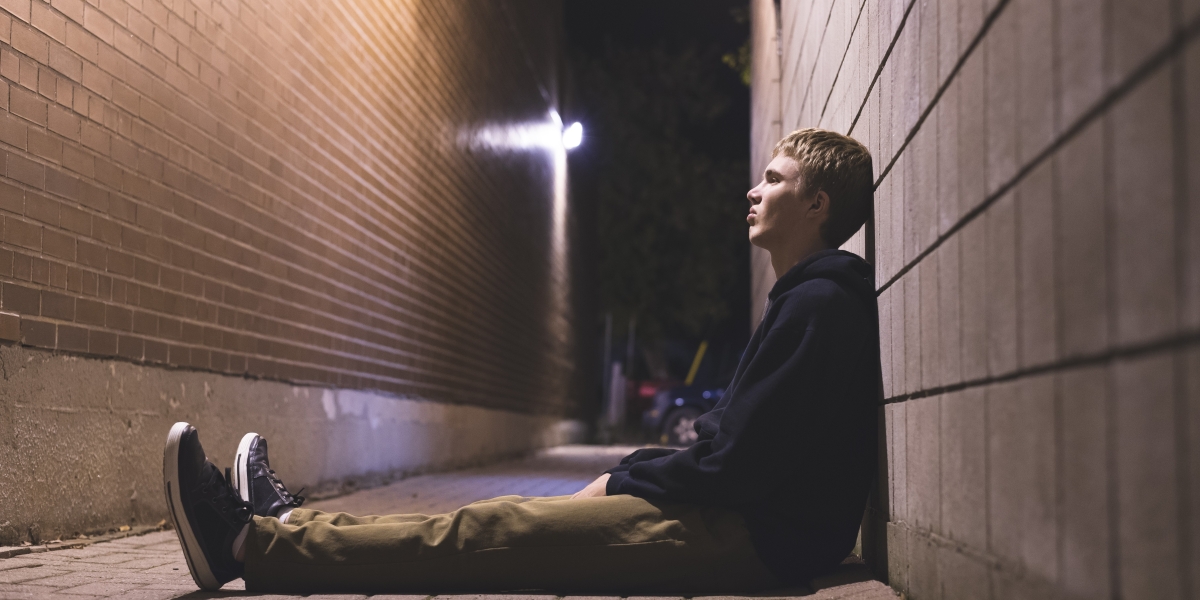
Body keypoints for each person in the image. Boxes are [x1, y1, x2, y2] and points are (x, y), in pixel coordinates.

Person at [162, 128, 880, 595]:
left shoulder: (819, 306)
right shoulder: (808, 300)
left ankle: (244, 546)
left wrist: (625, 477)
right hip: (743, 520)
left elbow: (740, 465)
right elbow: (736, 449)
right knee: (490, 523)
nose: (753, 190)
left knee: (489, 533)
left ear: (816, 204)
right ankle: (286, 528)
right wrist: (636, 470)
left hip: (755, 539)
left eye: (774, 180)